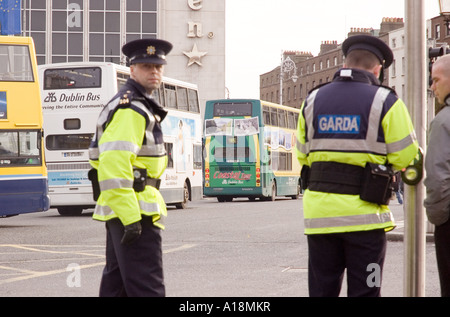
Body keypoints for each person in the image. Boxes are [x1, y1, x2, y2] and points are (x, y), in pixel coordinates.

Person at [296, 35, 419, 297]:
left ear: (345, 63)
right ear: (378, 69)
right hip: (366, 223)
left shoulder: (312, 100)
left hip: (320, 221)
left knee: (321, 291)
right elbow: (406, 157)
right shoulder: (386, 101)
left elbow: (302, 155)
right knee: (367, 290)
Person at [88, 38, 173, 297]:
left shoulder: (134, 104)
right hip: (135, 212)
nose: (155, 71)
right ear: (132, 69)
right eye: (147, 66)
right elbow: (114, 166)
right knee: (147, 289)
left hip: (126, 211)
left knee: (118, 289)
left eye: (158, 66)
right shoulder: (131, 108)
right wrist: (131, 219)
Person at [424, 54, 450, 297]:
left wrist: (437, 218)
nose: (432, 87)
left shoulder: (443, 121)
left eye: (435, 80)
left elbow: (437, 177)